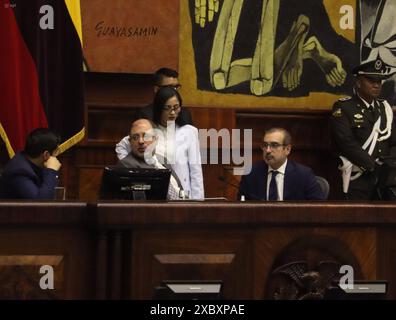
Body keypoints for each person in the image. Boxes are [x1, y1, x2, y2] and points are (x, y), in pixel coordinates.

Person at [116, 87, 204, 200]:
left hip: (183, 192)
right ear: (159, 109)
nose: (172, 112)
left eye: (176, 108)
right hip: (156, 192)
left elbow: (196, 172)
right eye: (167, 108)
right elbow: (123, 145)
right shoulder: (148, 130)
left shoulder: (189, 131)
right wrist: (134, 165)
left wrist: (199, 202)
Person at [330, 58, 396, 200]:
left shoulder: (384, 108)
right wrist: (372, 166)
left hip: (384, 178)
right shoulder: (344, 108)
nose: (376, 85)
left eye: (379, 81)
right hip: (358, 177)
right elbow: (346, 142)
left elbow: (392, 139)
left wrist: (388, 167)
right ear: (359, 82)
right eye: (371, 81)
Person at [238, 127, 324, 200]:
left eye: (274, 145)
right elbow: (241, 208)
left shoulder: (304, 175)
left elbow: (317, 207)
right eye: (265, 145)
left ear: (287, 149)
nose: (267, 150)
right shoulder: (251, 173)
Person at [116, 118, 185, 200]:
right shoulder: (127, 166)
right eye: (135, 137)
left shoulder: (162, 160)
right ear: (130, 142)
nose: (141, 141)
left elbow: (180, 191)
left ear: (155, 139)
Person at [0, 128, 61, 199]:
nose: (58, 155)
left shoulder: (35, 164)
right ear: (46, 155)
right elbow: (41, 205)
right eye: (56, 151)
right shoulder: (19, 172)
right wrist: (51, 171)